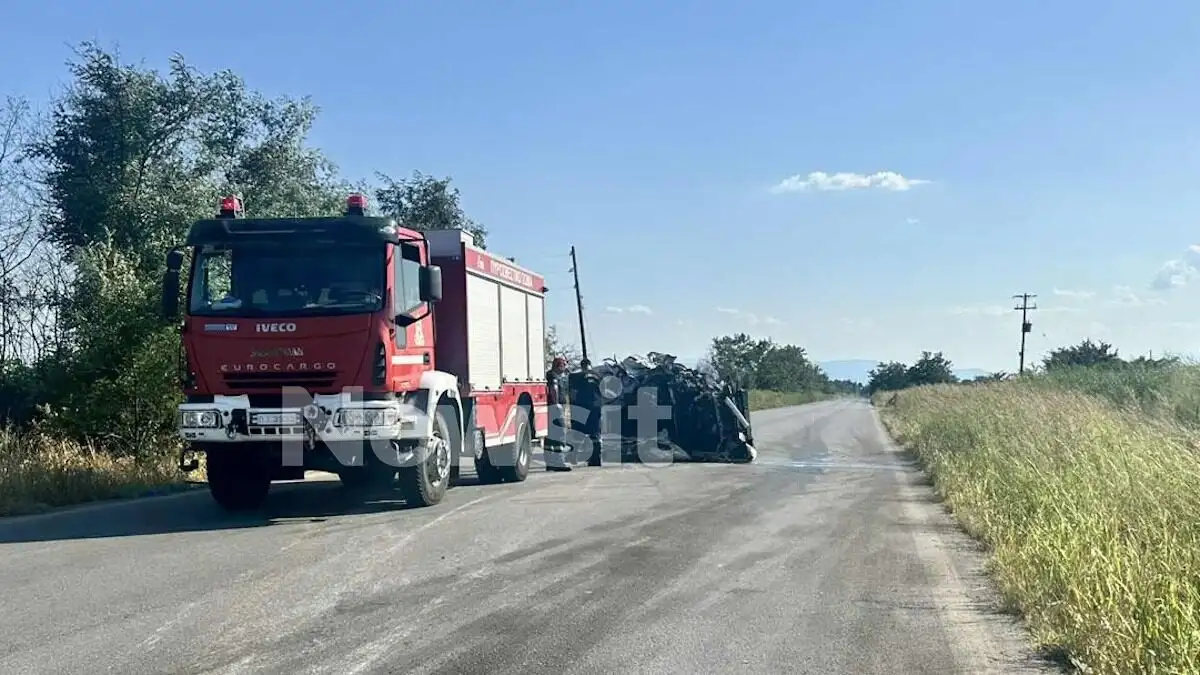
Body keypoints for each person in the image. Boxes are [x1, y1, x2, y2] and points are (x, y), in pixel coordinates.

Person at [544, 356, 573, 472]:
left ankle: (550, 462)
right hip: (555, 409)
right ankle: (559, 462)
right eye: (564, 365)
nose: (565, 368)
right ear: (560, 365)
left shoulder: (550, 375)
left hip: (551, 409)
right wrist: (557, 404)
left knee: (550, 438)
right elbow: (554, 389)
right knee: (559, 436)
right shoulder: (554, 377)